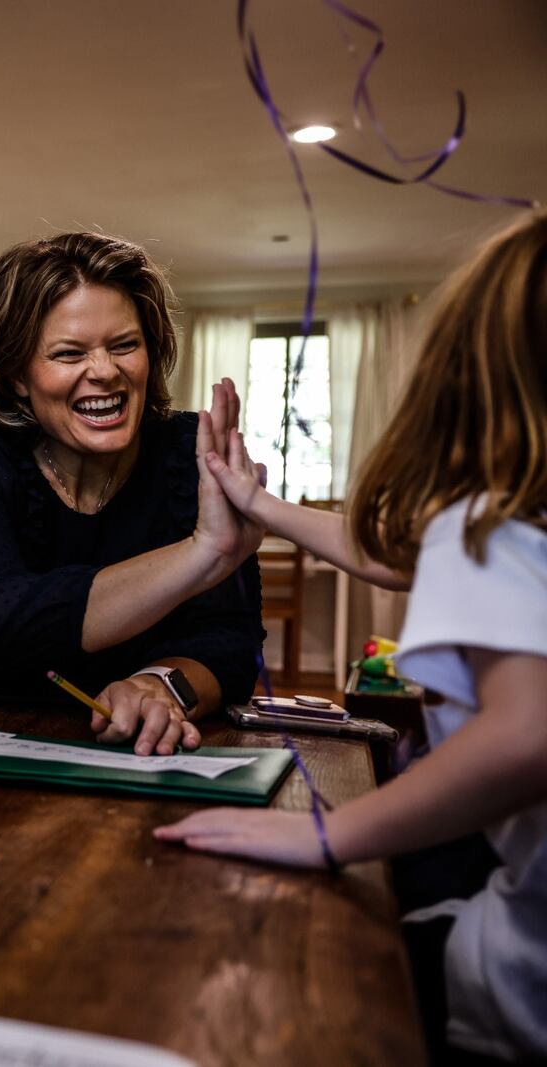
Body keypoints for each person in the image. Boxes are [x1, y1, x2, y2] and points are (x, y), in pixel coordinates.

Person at [157, 212, 547, 1063]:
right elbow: (395, 554)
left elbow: (525, 731)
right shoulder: (512, 522)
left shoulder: (491, 524)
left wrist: (329, 835)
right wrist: (257, 503)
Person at [0, 231, 266, 755]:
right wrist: (202, 552)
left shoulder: (189, 452)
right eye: (69, 353)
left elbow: (230, 640)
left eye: (125, 345)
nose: (105, 372)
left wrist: (160, 686)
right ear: (18, 374)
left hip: (128, 756)